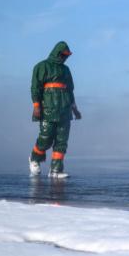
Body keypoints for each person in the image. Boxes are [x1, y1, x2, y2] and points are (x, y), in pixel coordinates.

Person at [29, 41, 81, 178]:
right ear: (57, 53)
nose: (65, 58)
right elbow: (35, 88)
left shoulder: (66, 70)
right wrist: (36, 106)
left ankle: (56, 170)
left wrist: (75, 109)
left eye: (67, 56)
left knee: (62, 140)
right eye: (63, 55)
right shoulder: (41, 67)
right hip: (48, 110)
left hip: (64, 111)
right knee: (46, 138)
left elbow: (70, 91)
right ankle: (35, 159)